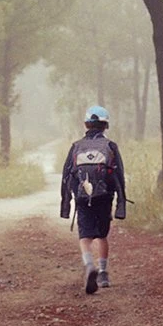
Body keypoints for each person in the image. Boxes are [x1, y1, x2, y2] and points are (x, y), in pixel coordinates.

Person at [60, 104, 127, 294]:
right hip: (104, 197)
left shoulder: (76, 146)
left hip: (82, 197)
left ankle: (89, 265)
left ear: (85, 125)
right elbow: (119, 175)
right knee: (102, 235)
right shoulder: (110, 146)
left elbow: (66, 175)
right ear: (106, 126)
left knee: (85, 235)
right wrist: (120, 202)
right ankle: (103, 272)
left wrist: (66, 203)